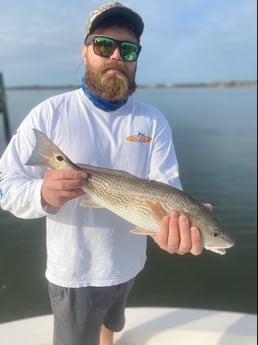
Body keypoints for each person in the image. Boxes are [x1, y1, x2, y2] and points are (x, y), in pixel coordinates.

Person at [0, 2, 210, 345]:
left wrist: (175, 227)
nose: (116, 56)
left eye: (128, 49)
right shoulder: (49, 113)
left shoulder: (153, 120)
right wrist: (41, 194)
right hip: (75, 273)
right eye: (103, 46)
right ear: (85, 52)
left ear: (136, 58)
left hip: (129, 265)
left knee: (113, 324)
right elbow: (4, 184)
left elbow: (167, 186)